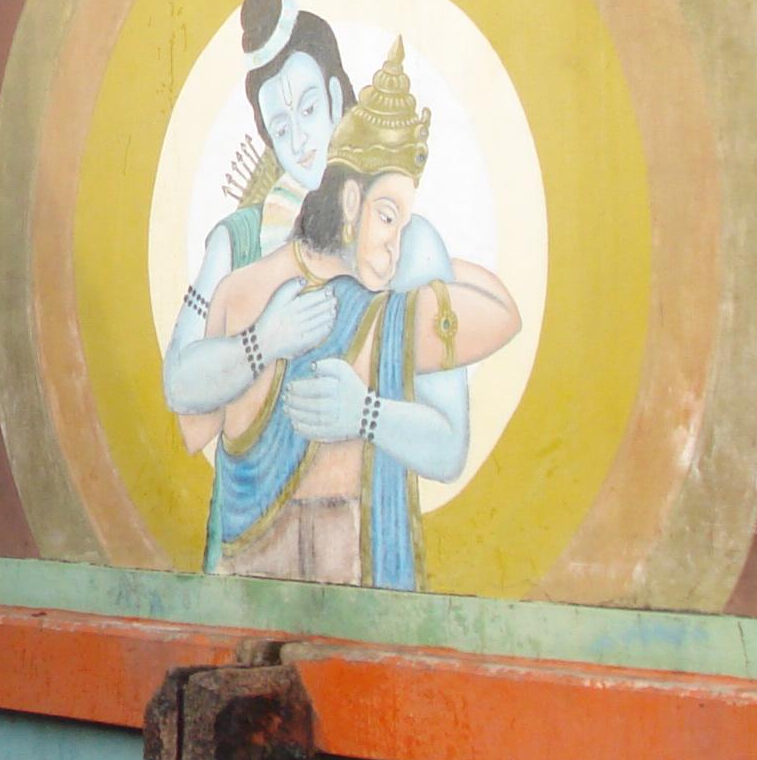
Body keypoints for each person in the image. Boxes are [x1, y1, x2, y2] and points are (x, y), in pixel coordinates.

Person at [178, 43, 523, 589]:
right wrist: (260, 344)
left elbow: (452, 436)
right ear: (349, 202)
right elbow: (185, 409)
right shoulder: (245, 264)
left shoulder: (394, 283)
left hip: (334, 558)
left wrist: (365, 414)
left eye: (311, 109)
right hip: (257, 565)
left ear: (336, 99)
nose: (300, 139)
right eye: (387, 217)